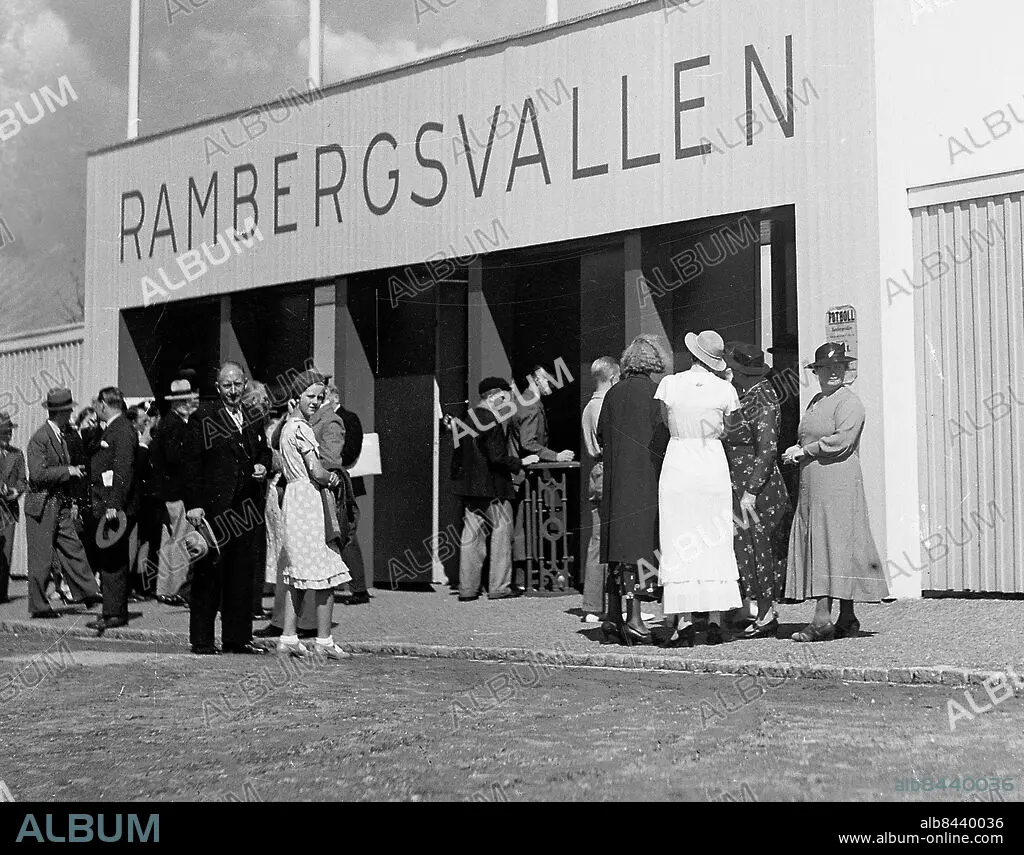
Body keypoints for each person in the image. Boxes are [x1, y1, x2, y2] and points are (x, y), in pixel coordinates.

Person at [782, 343, 889, 641]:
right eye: (826, 367)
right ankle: (847, 616)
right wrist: (797, 448)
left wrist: (806, 451)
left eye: (839, 367)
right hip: (815, 484)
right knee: (827, 543)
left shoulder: (849, 402)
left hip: (838, 482)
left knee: (835, 544)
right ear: (816, 372)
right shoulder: (817, 400)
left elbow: (842, 441)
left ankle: (821, 619)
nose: (833, 372)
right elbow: (809, 435)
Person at [656, 330, 742, 647]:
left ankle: (683, 621)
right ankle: (715, 619)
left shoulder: (670, 384)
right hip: (711, 464)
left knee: (679, 538)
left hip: (679, 462)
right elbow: (730, 429)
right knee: (713, 538)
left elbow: (664, 419)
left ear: (693, 355)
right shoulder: (725, 389)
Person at [181, 361, 272, 655]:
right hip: (215, 509)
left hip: (246, 509)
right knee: (209, 573)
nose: (233, 390)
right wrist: (194, 505)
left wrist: (263, 466)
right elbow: (191, 463)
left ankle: (237, 638)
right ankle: (202, 640)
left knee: (241, 574)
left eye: (237, 384)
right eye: (227, 385)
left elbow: (264, 452)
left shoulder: (253, 416)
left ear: (245, 384)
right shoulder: (204, 417)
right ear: (218, 388)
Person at [275, 369, 351, 660]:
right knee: (325, 570)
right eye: (310, 396)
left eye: (320, 397)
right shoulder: (303, 429)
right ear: (297, 396)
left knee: (297, 573)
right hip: (309, 499)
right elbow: (317, 471)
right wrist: (333, 480)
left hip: (293, 500)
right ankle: (324, 640)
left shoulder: (286, 427)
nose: (316, 402)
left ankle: (288, 637)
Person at [596, 336, 668, 645]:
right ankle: (635, 620)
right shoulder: (655, 393)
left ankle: (613, 616)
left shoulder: (613, 393)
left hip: (616, 480)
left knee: (618, 548)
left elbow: (601, 433)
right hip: (645, 478)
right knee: (640, 549)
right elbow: (664, 436)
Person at [722, 342, 792, 638]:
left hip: (757, 487)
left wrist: (751, 491)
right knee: (747, 547)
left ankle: (765, 614)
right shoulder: (745, 393)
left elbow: (767, 450)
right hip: (742, 482)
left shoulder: (763, 398)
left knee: (759, 548)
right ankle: (750, 608)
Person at [452, 377, 539, 601]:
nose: (506, 403)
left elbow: (458, 457)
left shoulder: (467, 417)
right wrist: (522, 461)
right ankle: (499, 586)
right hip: (493, 488)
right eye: (504, 398)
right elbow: (497, 457)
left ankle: (467, 588)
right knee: (501, 536)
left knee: (471, 538)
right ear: (494, 395)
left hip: (470, 488)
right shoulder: (490, 419)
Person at [24, 388, 100, 619]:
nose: (70, 414)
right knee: (42, 558)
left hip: (58, 503)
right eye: (68, 411)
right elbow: (37, 474)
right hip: (42, 505)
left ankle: (88, 592)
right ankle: (39, 606)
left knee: (73, 547)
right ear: (61, 412)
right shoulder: (41, 438)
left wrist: (72, 474)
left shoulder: (59, 435)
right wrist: (68, 471)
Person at [507, 363, 575, 590]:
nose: (551, 384)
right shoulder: (531, 406)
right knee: (525, 526)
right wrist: (556, 456)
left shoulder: (525, 402)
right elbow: (528, 443)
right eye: (547, 379)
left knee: (524, 525)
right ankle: (523, 578)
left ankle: (523, 578)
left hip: (522, 476)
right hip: (525, 477)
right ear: (536, 379)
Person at [86, 387, 138, 631]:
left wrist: (114, 504)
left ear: (103, 404)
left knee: (113, 559)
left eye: (97, 404)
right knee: (108, 558)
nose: (95, 408)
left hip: (114, 507)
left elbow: (123, 469)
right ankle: (110, 610)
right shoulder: (110, 428)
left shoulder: (122, 430)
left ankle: (115, 612)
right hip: (105, 503)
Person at [150, 378, 200, 606]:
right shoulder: (176, 425)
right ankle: (174, 589)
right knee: (179, 542)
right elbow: (175, 458)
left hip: (168, 493)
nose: (187, 403)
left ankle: (166, 588)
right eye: (183, 400)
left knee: (171, 541)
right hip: (177, 493)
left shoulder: (168, 423)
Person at [579, 356, 620, 623]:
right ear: (614, 376)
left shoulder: (588, 407)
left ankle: (593, 605)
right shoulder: (607, 405)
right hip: (609, 469)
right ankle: (619, 604)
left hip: (596, 472)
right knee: (616, 540)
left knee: (597, 540)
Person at [332, 393, 370, 605]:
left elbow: (351, 451)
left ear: (334, 397)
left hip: (346, 485)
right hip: (335, 483)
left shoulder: (349, 418)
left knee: (347, 534)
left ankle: (359, 588)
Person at [0, 411, 27, 604]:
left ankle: (1, 593)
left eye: (9, 432)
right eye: (4, 432)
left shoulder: (17, 454)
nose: (8, 435)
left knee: (7, 552)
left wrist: (16, 491)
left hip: (8, 510)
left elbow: (22, 480)